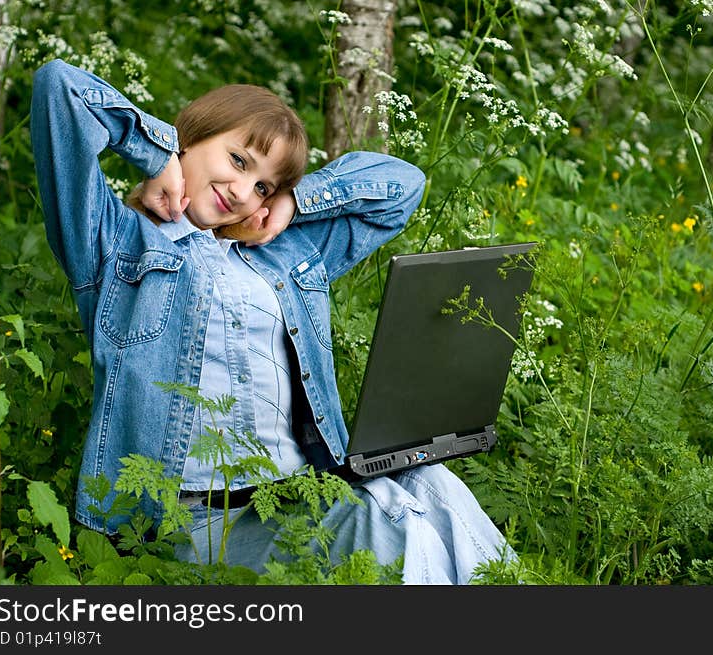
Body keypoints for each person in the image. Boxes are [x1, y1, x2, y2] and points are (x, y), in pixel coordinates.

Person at [30, 58, 513, 584]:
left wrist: (294, 202)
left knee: (430, 485)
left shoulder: (283, 254)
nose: (242, 191)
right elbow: (61, 89)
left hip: (297, 495)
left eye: (261, 186)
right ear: (190, 138)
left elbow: (403, 186)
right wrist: (156, 155)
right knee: (396, 529)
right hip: (192, 521)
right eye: (238, 160)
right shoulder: (112, 242)